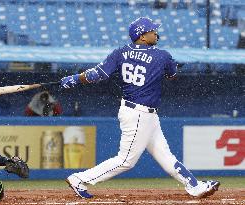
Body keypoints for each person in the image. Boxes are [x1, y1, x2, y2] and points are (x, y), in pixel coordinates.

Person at [60, 17, 220, 199]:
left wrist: (74, 78)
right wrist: (173, 66)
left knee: (166, 156)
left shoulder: (120, 52)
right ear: (142, 36)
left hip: (140, 113)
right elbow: (172, 75)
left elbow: (97, 74)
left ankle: (195, 186)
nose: (156, 33)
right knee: (126, 160)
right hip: (138, 114)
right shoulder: (162, 55)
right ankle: (79, 179)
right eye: (152, 31)